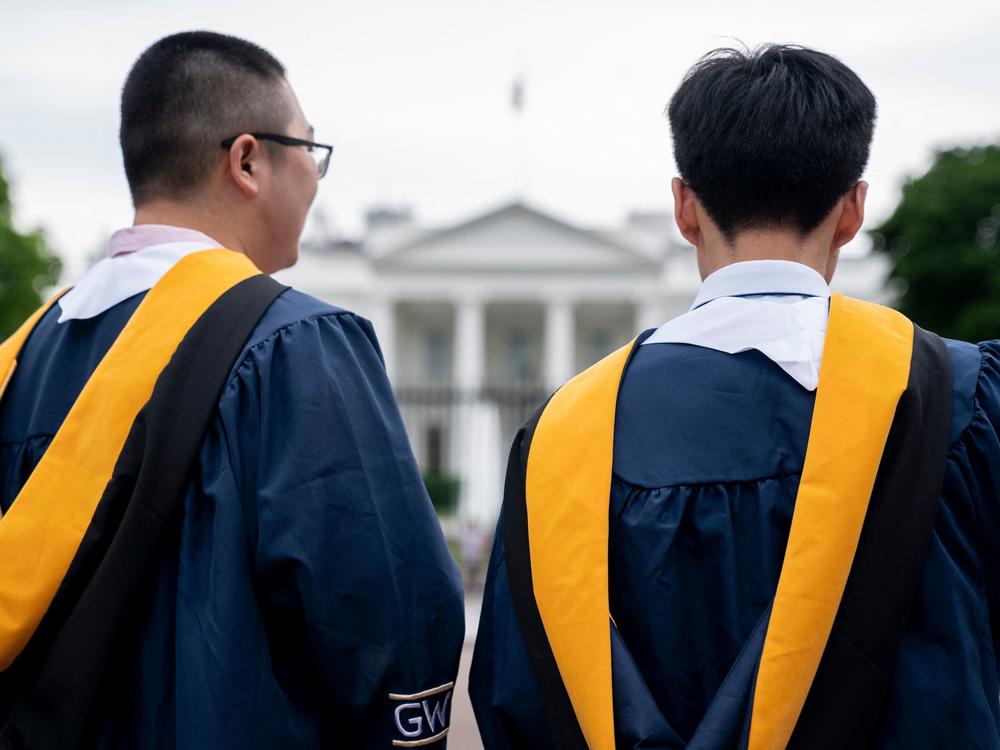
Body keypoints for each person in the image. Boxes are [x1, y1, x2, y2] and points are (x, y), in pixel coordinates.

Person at [470, 44, 1000, 749]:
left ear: (685, 208)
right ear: (853, 210)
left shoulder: (562, 439)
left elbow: (515, 696)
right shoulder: (956, 403)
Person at [0, 31, 463, 749]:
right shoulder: (294, 347)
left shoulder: (19, 362)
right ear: (248, 161)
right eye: (311, 151)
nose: (314, 177)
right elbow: (386, 626)